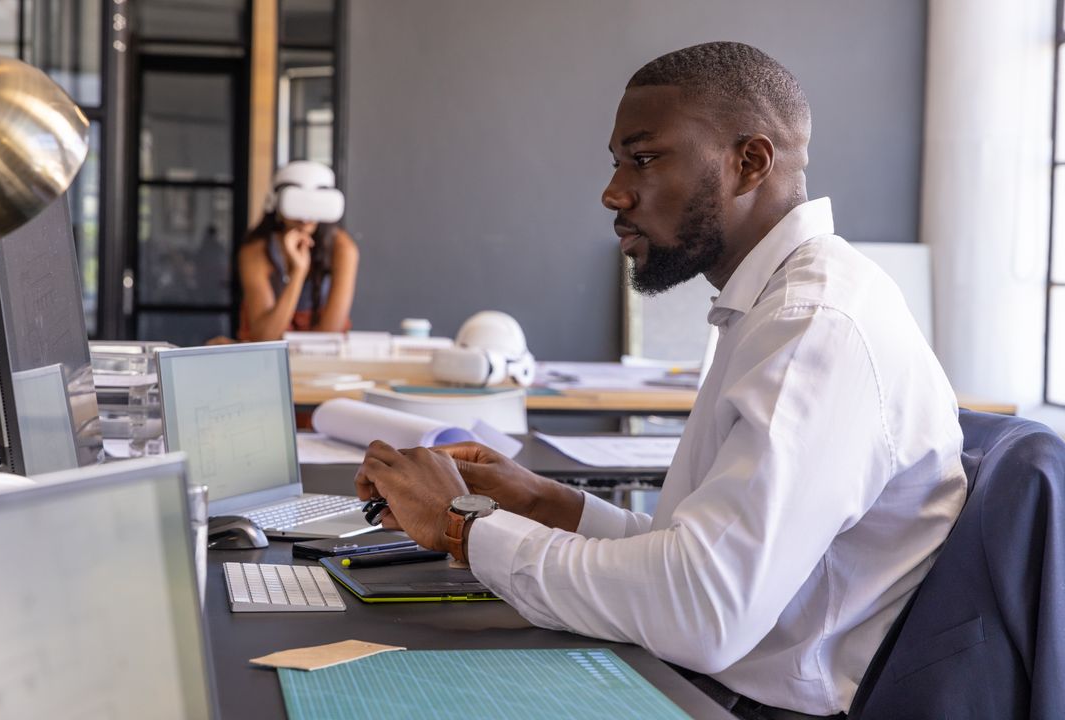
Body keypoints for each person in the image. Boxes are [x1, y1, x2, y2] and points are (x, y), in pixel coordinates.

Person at [354, 42, 967, 720]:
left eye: (643, 159)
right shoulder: (769, 307)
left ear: (749, 163)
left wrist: (463, 525)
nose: (614, 192)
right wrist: (546, 502)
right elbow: (687, 563)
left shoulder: (813, 328)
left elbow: (702, 610)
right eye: (617, 161)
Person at [238, 160, 359, 341]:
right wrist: (298, 273)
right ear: (276, 202)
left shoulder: (343, 249)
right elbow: (264, 337)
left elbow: (328, 336)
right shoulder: (256, 251)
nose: (305, 218)